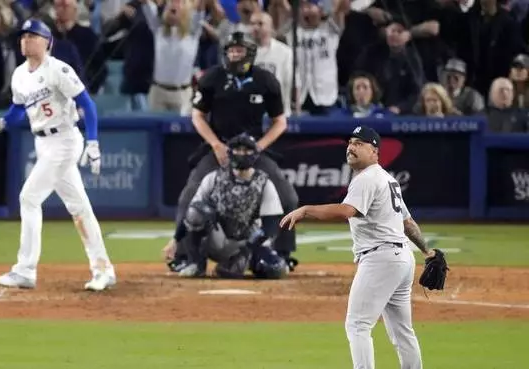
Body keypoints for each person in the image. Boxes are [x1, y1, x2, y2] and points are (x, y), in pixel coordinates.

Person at [279, 126, 436, 369]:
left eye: (359, 143)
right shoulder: (387, 179)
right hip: (402, 259)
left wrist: (306, 209)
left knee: (358, 325)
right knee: (402, 332)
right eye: (350, 142)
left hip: (381, 259)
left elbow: (347, 211)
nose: (351, 147)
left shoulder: (367, 178)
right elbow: (407, 223)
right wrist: (427, 251)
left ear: (375, 152)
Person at [0, 19, 116, 292]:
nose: (26, 40)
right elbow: (19, 108)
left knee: (28, 197)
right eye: (23, 36)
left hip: (65, 140)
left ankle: (25, 270)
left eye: (33, 36)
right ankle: (103, 269)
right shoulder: (20, 74)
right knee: (79, 206)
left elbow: (87, 105)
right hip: (43, 142)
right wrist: (4, 122)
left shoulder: (58, 69)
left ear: (47, 41)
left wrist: (92, 141)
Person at [171, 31, 299, 272]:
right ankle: (184, 255)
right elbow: (197, 115)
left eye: (238, 50)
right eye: (231, 50)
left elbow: (280, 121)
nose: (234, 54)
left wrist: (260, 146)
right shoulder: (212, 78)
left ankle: (283, 253)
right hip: (221, 147)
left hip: (253, 150)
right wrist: (215, 144)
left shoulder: (266, 80)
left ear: (250, 53)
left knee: (288, 197)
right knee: (189, 196)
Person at [163, 134, 291, 279]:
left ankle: (241, 264)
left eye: (247, 150)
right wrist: (175, 240)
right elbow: (192, 212)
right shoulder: (213, 178)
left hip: (248, 242)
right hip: (217, 239)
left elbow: (270, 225)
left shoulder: (264, 182)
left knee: (274, 270)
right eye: (238, 150)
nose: (242, 154)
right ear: (230, 153)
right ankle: (196, 264)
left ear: (255, 154)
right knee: (196, 211)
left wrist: (247, 250)